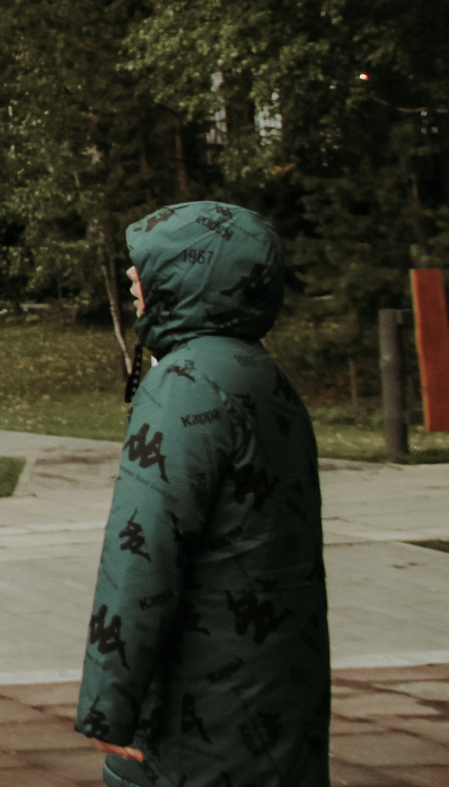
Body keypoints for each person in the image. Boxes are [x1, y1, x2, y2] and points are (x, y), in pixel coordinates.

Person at [76, 200, 329, 786]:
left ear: (194, 273)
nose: (132, 277)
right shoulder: (263, 376)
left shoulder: (185, 384)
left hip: (201, 714)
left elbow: (142, 554)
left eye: (147, 263)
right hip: (277, 696)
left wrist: (109, 701)